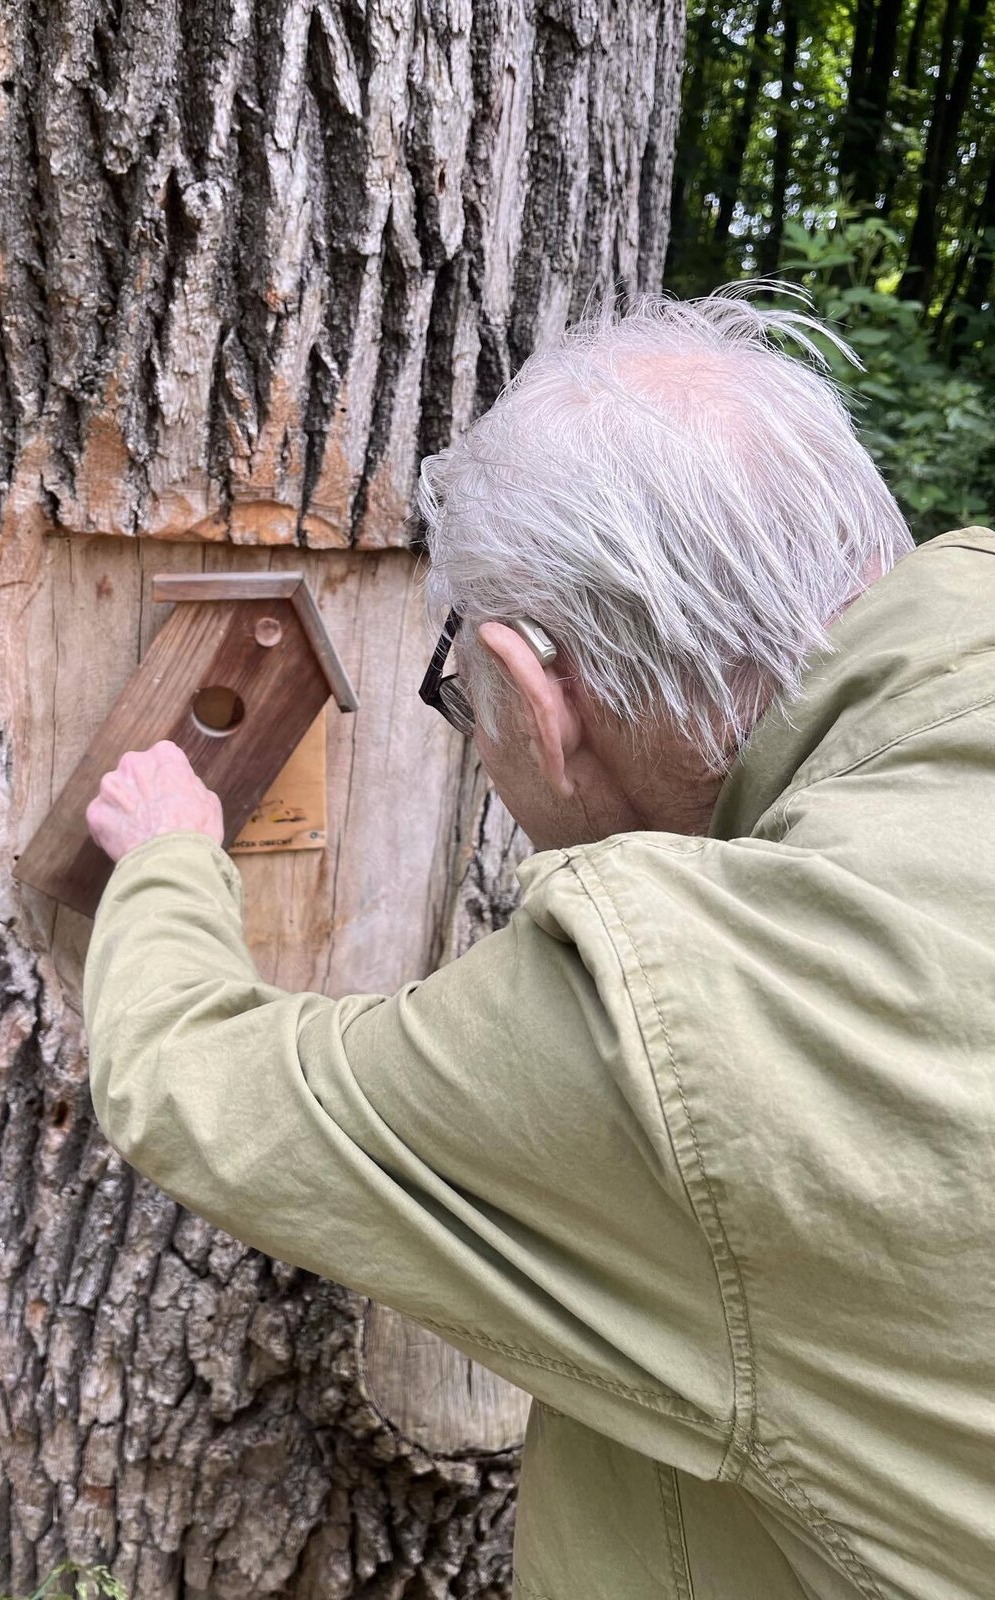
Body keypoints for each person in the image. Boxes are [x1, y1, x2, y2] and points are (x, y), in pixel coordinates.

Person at [83, 290, 995, 1600]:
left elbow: (197, 1083)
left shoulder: (688, 1016)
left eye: (460, 698)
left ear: (529, 689)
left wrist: (168, 852)